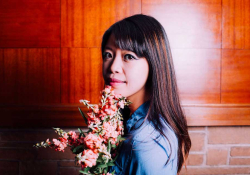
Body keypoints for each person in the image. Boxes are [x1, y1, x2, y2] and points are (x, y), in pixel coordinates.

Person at [101, 14, 191, 175]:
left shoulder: (147, 144)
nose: (113, 67)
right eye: (108, 55)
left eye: (128, 56)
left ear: (154, 63)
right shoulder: (128, 119)